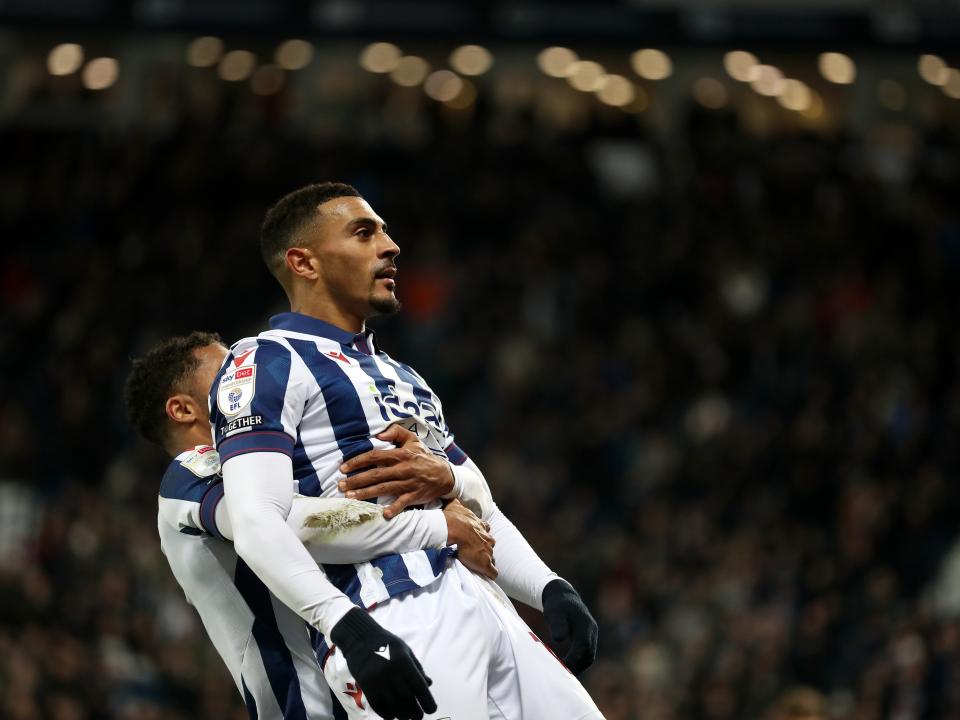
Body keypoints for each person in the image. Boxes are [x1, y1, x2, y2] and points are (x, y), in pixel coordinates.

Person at [211, 181, 603, 719]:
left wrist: (548, 587)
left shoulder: (404, 375)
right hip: (391, 611)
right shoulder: (264, 362)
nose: (390, 246)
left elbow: (476, 506)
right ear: (304, 263)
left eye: (385, 231)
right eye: (363, 233)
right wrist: (345, 626)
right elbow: (257, 520)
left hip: (485, 599)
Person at [124, 331, 497, 719]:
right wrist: (436, 524)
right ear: (182, 410)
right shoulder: (191, 473)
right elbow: (297, 522)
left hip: (364, 679)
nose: (245, 372)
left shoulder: (265, 461)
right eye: (226, 370)